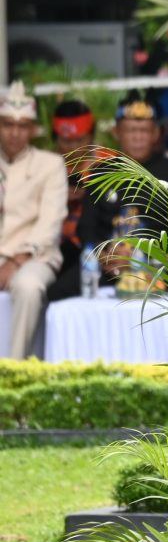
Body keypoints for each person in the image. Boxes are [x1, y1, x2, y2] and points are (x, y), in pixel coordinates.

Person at [83, 91, 168, 287]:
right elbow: (86, 226)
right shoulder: (100, 172)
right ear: (116, 132)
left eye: (145, 131)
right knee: (58, 292)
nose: (138, 138)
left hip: (158, 267)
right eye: (131, 131)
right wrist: (103, 254)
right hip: (105, 266)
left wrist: (140, 257)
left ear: (156, 133)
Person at [0, 83, 68, 358]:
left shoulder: (50, 164)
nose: (15, 133)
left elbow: (50, 224)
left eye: (23, 125)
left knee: (28, 287)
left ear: (33, 129)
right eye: (7, 125)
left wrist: (15, 261)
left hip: (35, 256)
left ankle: (12, 373)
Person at [45, 99, 106, 301]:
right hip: (52, 248)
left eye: (80, 140)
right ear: (55, 139)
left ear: (91, 137)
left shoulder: (108, 163)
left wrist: (90, 197)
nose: (73, 148)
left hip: (95, 248)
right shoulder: (42, 166)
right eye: (66, 141)